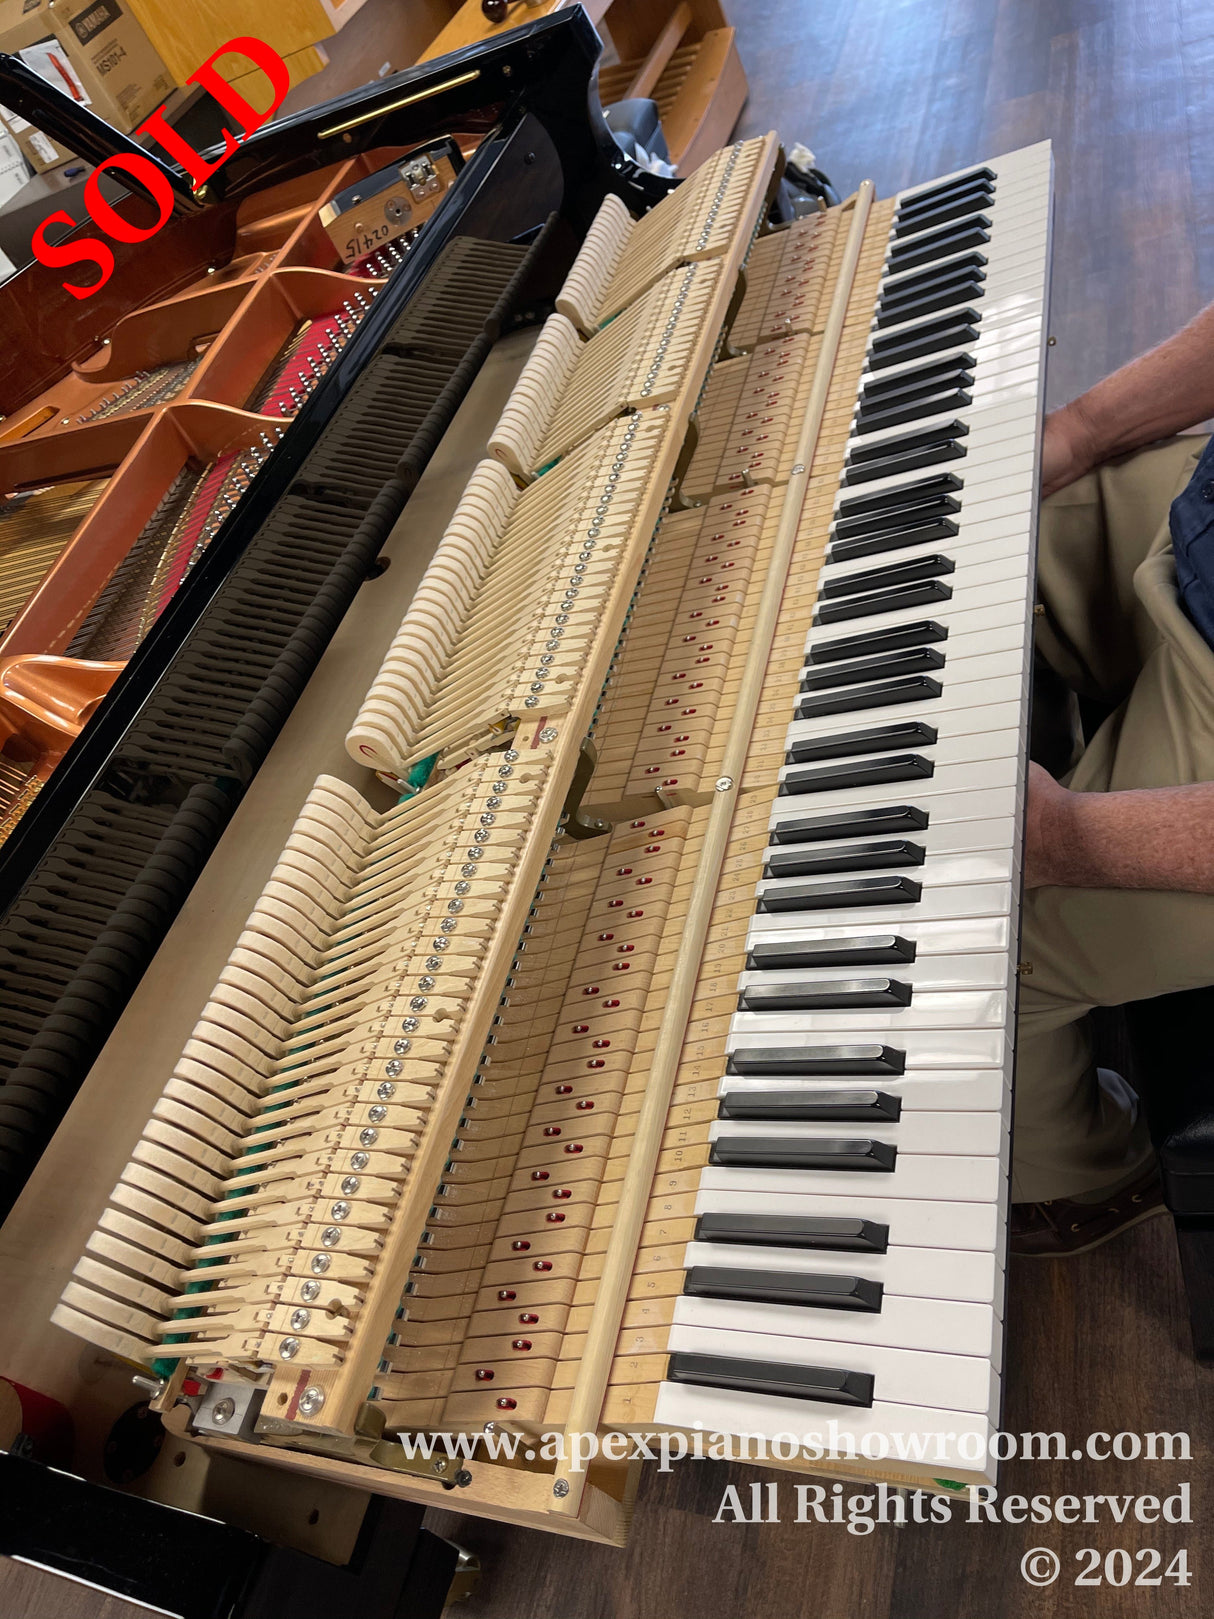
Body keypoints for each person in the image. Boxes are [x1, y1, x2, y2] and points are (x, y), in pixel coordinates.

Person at [1011, 302, 1214, 1256]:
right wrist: (1075, 437)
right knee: (989, 527)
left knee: (960, 940)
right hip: (1200, 538)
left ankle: (1079, 1180)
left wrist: (1063, 837)